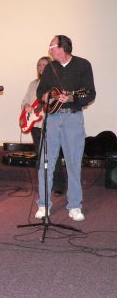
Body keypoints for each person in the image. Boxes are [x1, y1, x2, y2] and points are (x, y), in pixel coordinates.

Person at [35, 35, 96, 222]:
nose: (50, 49)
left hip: (72, 119)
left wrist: (71, 98)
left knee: (73, 163)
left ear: (62, 48)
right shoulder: (50, 68)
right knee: (46, 163)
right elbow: (40, 92)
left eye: (52, 46)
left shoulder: (83, 65)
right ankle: (44, 204)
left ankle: (75, 205)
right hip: (52, 119)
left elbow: (90, 93)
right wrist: (46, 96)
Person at [21, 56, 66, 195]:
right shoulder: (33, 84)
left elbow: (60, 103)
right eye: (39, 65)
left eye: (45, 65)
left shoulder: (56, 85)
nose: (41, 67)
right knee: (40, 155)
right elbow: (25, 101)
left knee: (54, 155)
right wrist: (27, 106)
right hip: (35, 125)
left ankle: (59, 186)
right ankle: (45, 185)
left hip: (50, 123)